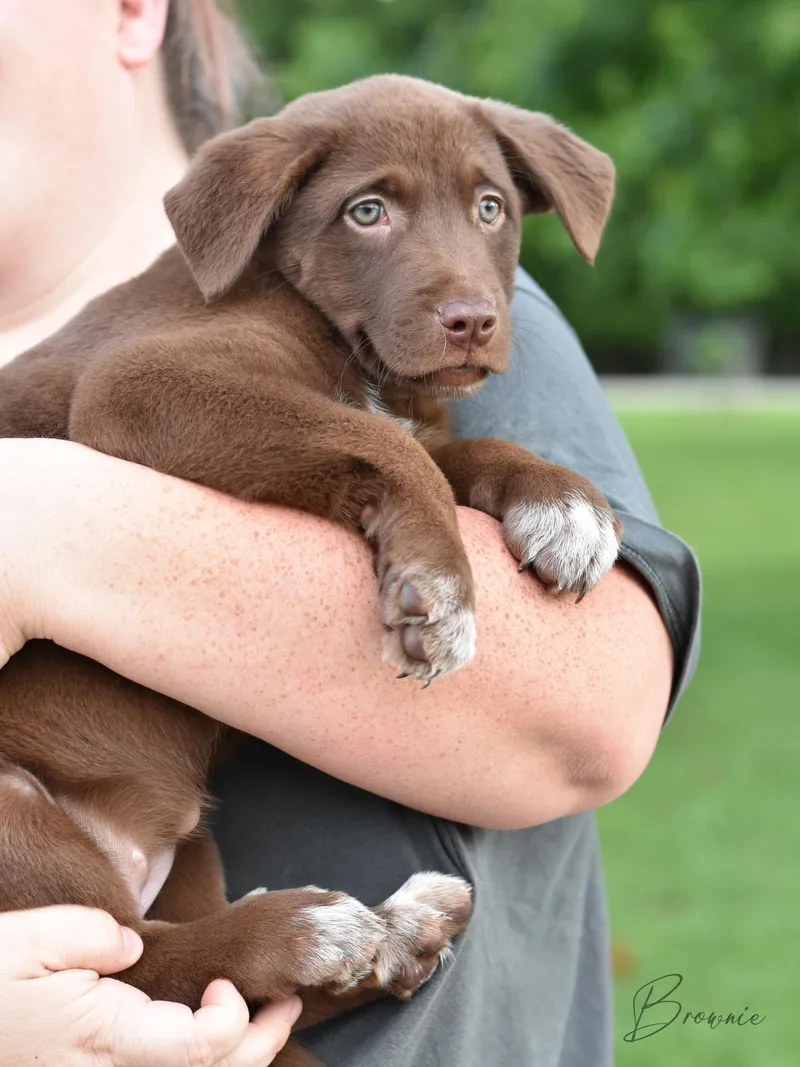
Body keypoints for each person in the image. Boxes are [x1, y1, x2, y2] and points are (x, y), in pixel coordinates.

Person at [0, 1, 700, 1065]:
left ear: (134, 12)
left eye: (488, 209)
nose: (459, 275)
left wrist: (35, 532)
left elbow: (592, 718)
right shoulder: (217, 318)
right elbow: (148, 403)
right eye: (371, 212)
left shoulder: (417, 323)